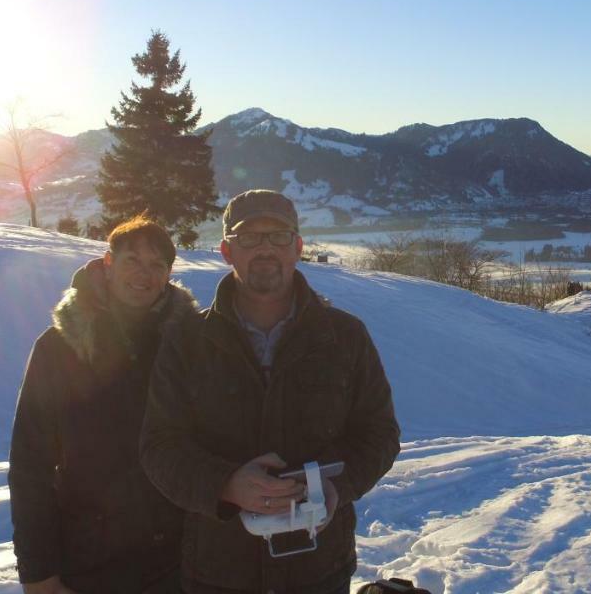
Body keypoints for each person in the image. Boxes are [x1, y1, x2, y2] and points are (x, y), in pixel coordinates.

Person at [141, 189, 400, 594]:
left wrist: (336, 487)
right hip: (217, 572)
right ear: (227, 251)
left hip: (318, 570)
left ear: (297, 247)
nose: (265, 249)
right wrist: (225, 485)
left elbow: (380, 434)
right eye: (249, 238)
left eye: (278, 236)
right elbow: (159, 447)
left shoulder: (345, 337)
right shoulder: (186, 340)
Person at [9, 215, 196, 594]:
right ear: (108, 263)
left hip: (179, 561)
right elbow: (31, 467)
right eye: (132, 260)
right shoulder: (60, 348)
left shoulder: (191, 344)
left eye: (156, 265)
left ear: (168, 275)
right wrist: (38, 572)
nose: (144, 274)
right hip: (90, 562)